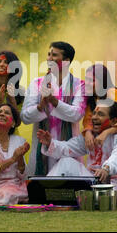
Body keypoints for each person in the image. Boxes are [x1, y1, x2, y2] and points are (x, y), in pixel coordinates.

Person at [37, 100, 117, 197]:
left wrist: (106, 169)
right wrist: (50, 143)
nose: (94, 117)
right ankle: (42, 195)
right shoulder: (90, 136)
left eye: (101, 114)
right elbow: (68, 148)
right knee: (66, 162)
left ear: (113, 121)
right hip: (94, 186)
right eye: (94, 113)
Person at [21, 41, 87, 175]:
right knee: (41, 193)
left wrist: (53, 101)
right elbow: (25, 117)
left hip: (69, 150)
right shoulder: (37, 83)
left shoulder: (79, 85)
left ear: (66, 61)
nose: (49, 58)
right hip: (41, 150)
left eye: (54, 55)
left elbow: (77, 114)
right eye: (49, 54)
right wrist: (41, 105)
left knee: (68, 191)